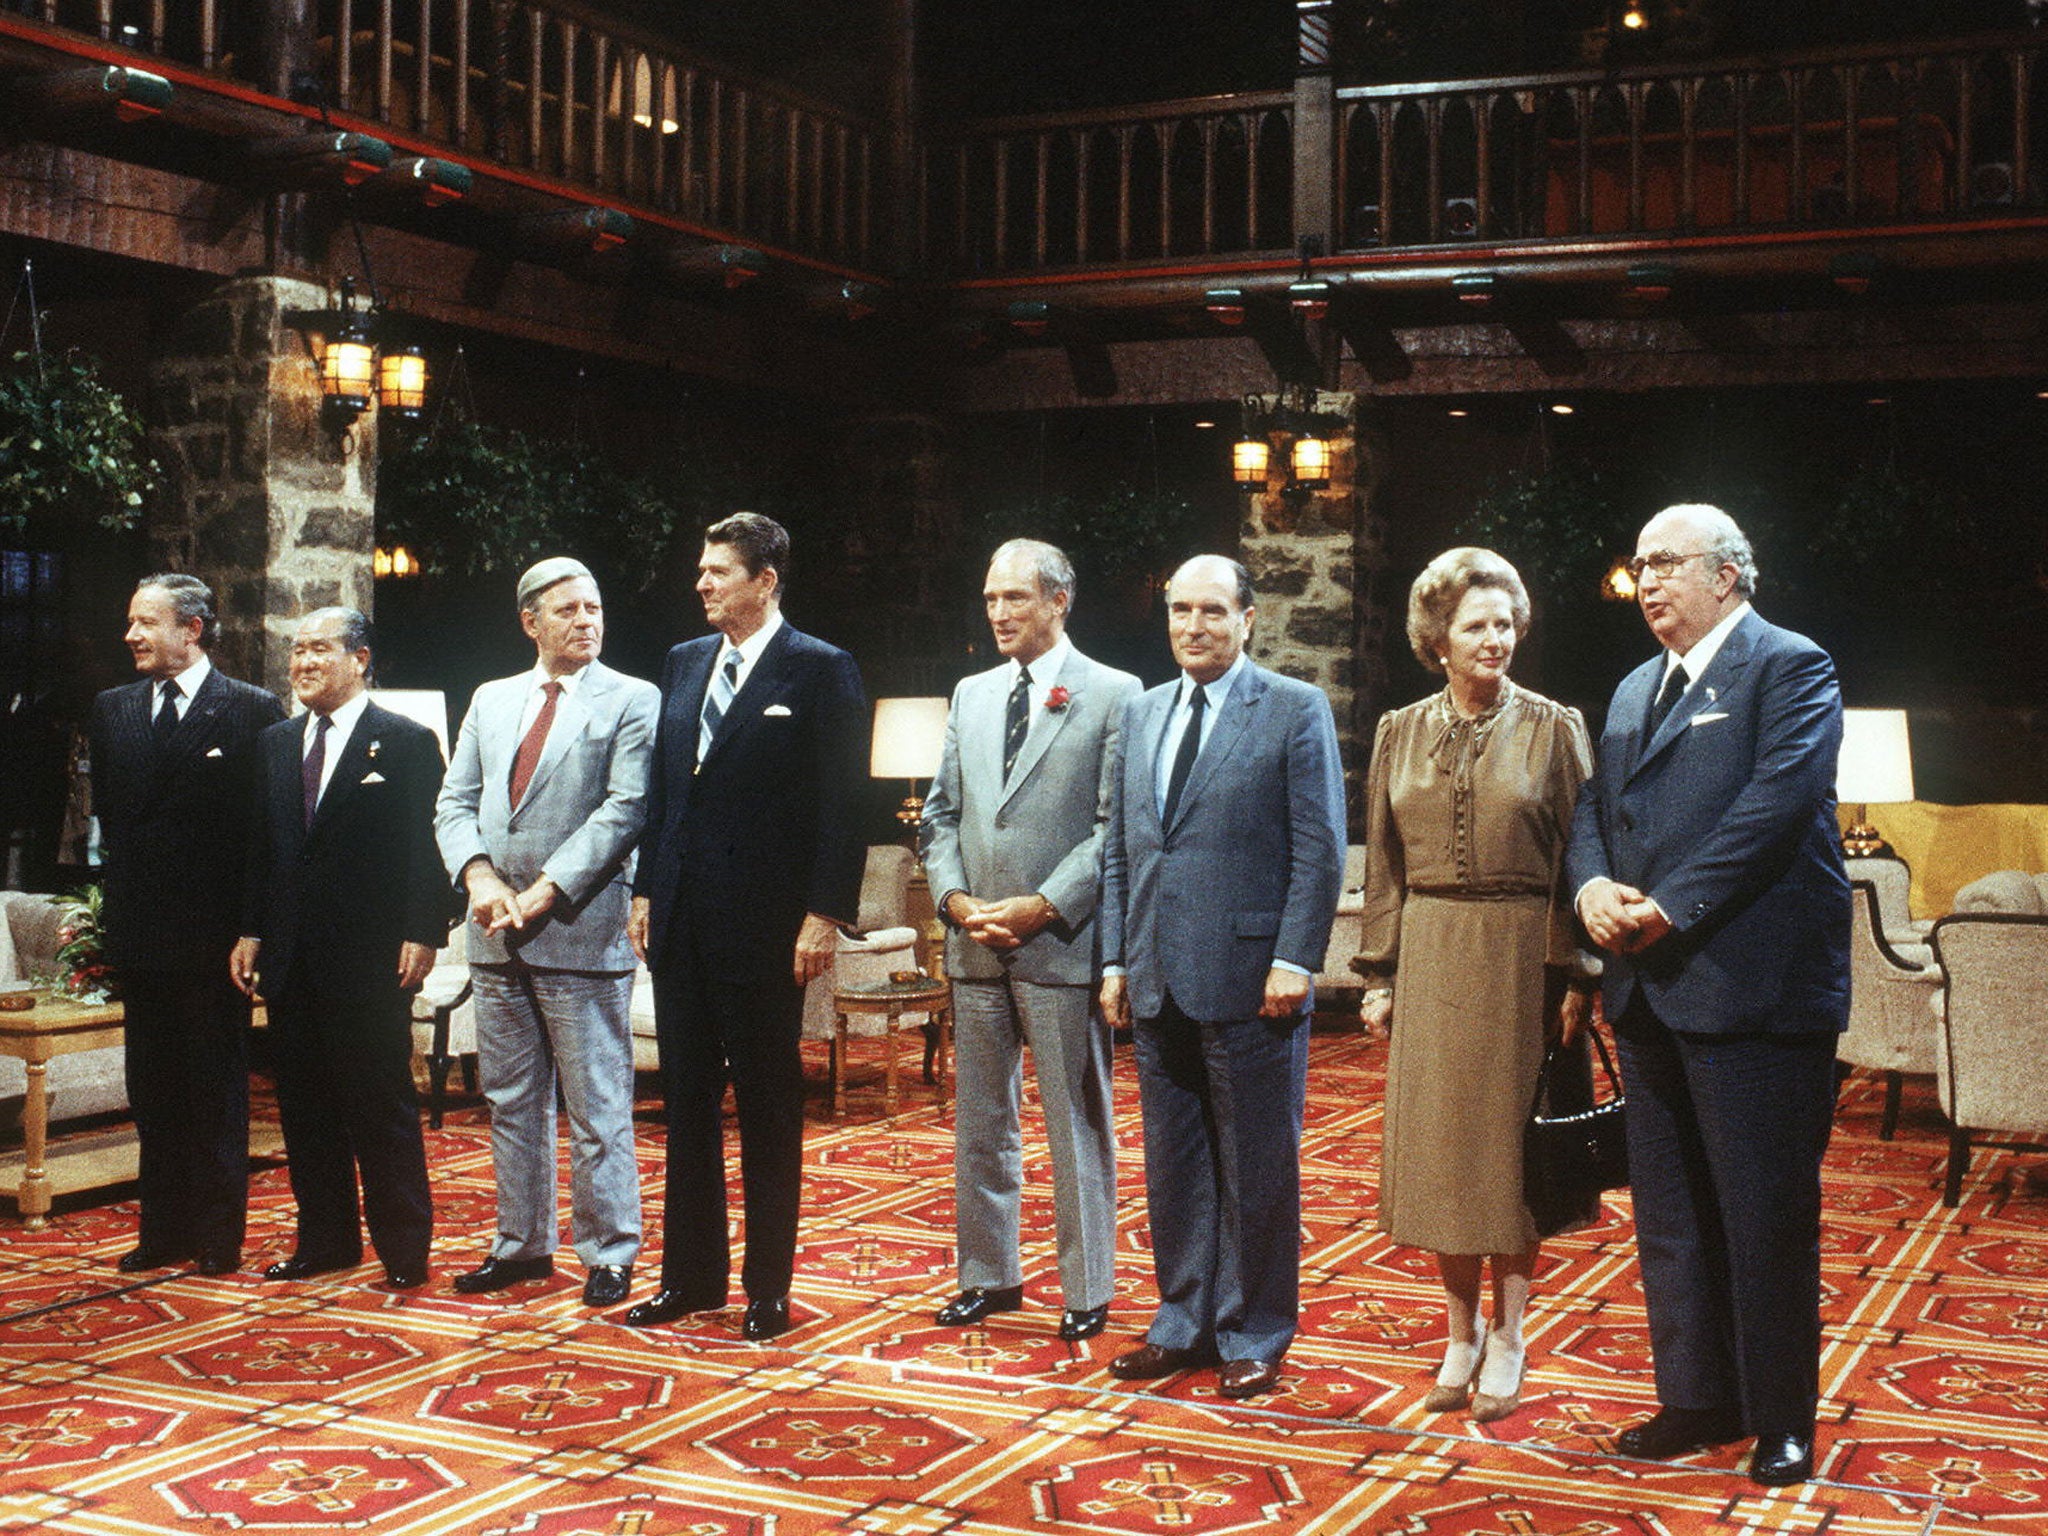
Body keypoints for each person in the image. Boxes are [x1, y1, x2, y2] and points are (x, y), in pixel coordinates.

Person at [1565, 504, 1849, 1488]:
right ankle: (1694, 1398)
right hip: (1649, 993)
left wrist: (1668, 909)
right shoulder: (1636, 684)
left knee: (1763, 1217)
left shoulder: (1789, 666)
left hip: (1753, 994)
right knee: (1673, 1215)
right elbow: (1593, 811)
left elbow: (1773, 808)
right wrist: (1591, 886)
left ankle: (1779, 1421)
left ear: (1724, 575)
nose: (1643, 583)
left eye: (1664, 565)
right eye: (1636, 565)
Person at [1354, 547, 1597, 1424]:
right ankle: (1457, 1332)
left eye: (1505, 624)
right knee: (1441, 1158)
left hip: (1522, 961)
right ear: (1439, 640)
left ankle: (1512, 1333)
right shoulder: (1399, 732)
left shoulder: (1553, 726)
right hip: (1431, 952)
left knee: (1509, 1158)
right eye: (1475, 626)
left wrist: (1577, 974)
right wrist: (1377, 975)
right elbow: (1384, 865)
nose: (1494, 640)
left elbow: (1584, 857)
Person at [1098, 554, 1345, 1399]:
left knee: (1257, 1164)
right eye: (1178, 611)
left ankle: (1255, 1331)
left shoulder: (1291, 708)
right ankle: (1183, 1322)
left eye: (1210, 611)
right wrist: (1115, 960)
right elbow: (1125, 850)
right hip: (1158, 973)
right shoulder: (1140, 713)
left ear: (1248, 619)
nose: (1192, 627)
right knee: (1173, 1164)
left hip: (1252, 976)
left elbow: (1318, 848)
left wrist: (1294, 958)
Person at [624, 511, 867, 1341]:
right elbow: (665, 791)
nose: (702, 583)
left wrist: (824, 915)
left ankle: (768, 1290)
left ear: (765, 581)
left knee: (768, 1112)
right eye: (700, 569)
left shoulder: (821, 670)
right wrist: (648, 890)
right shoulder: (685, 662)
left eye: (718, 571)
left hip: (769, 932)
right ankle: (689, 1281)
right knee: (686, 1110)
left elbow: (844, 805)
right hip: (681, 922)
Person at [921, 539, 1140, 1342]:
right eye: (990, 599)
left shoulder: (1117, 694)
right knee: (981, 1123)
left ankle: (1087, 1288)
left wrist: (1044, 905)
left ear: (1060, 600)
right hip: (973, 941)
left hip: (1059, 943)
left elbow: (1113, 829)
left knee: (1077, 1124)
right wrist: (952, 899)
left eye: (1015, 597)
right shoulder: (971, 693)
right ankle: (988, 1277)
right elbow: (940, 814)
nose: (1000, 613)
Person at [434, 557, 659, 1309]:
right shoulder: (493, 699)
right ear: (530, 622)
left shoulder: (634, 699)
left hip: (576, 927)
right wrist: (482, 880)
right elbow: (453, 802)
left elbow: (625, 810)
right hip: (495, 930)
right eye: (567, 610)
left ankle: (610, 1250)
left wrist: (540, 892)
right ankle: (521, 1245)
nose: (587, 621)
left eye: (594, 607)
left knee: (598, 1105)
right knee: (510, 1099)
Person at [231, 608, 452, 1289]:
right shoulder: (274, 743)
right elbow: (261, 851)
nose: (302, 663)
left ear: (360, 658)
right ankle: (325, 1242)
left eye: (319, 649)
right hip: (291, 959)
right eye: (296, 651)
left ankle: (405, 1250)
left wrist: (425, 930)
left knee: (379, 1106)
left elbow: (430, 846)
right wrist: (251, 930)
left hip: (373, 958)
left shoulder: (406, 742)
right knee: (304, 1108)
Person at [88, 573, 284, 1275]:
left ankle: (218, 1236)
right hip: (143, 939)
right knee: (155, 1092)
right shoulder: (113, 710)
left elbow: (267, 836)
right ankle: (162, 1230)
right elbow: (111, 824)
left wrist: (253, 929)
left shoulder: (252, 711)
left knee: (215, 1091)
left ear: (192, 629)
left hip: (216, 943)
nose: (131, 636)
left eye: (146, 622)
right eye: (131, 622)